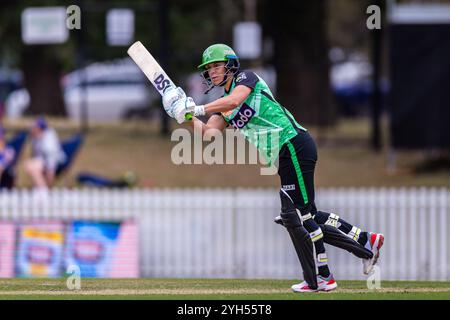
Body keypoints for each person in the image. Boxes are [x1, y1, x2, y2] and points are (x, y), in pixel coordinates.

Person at [161, 44, 384, 293]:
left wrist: (197, 108)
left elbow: (235, 99)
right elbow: (209, 133)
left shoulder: (246, 78)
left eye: (217, 65)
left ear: (231, 65)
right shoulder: (222, 106)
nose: (212, 71)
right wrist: (185, 118)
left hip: (294, 143)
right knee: (306, 214)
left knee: (297, 216)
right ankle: (365, 240)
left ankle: (323, 277)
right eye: (209, 68)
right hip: (285, 152)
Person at [24, 117, 67, 191]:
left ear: (39, 128)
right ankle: (41, 189)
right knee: (30, 165)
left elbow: (51, 155)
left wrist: (50, 170)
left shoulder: (48, 138)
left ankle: (43, 191)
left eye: (34, 127)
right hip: (45, 161)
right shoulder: (37, 137)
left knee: (31, 166)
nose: (32, 129)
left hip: (56, 162)